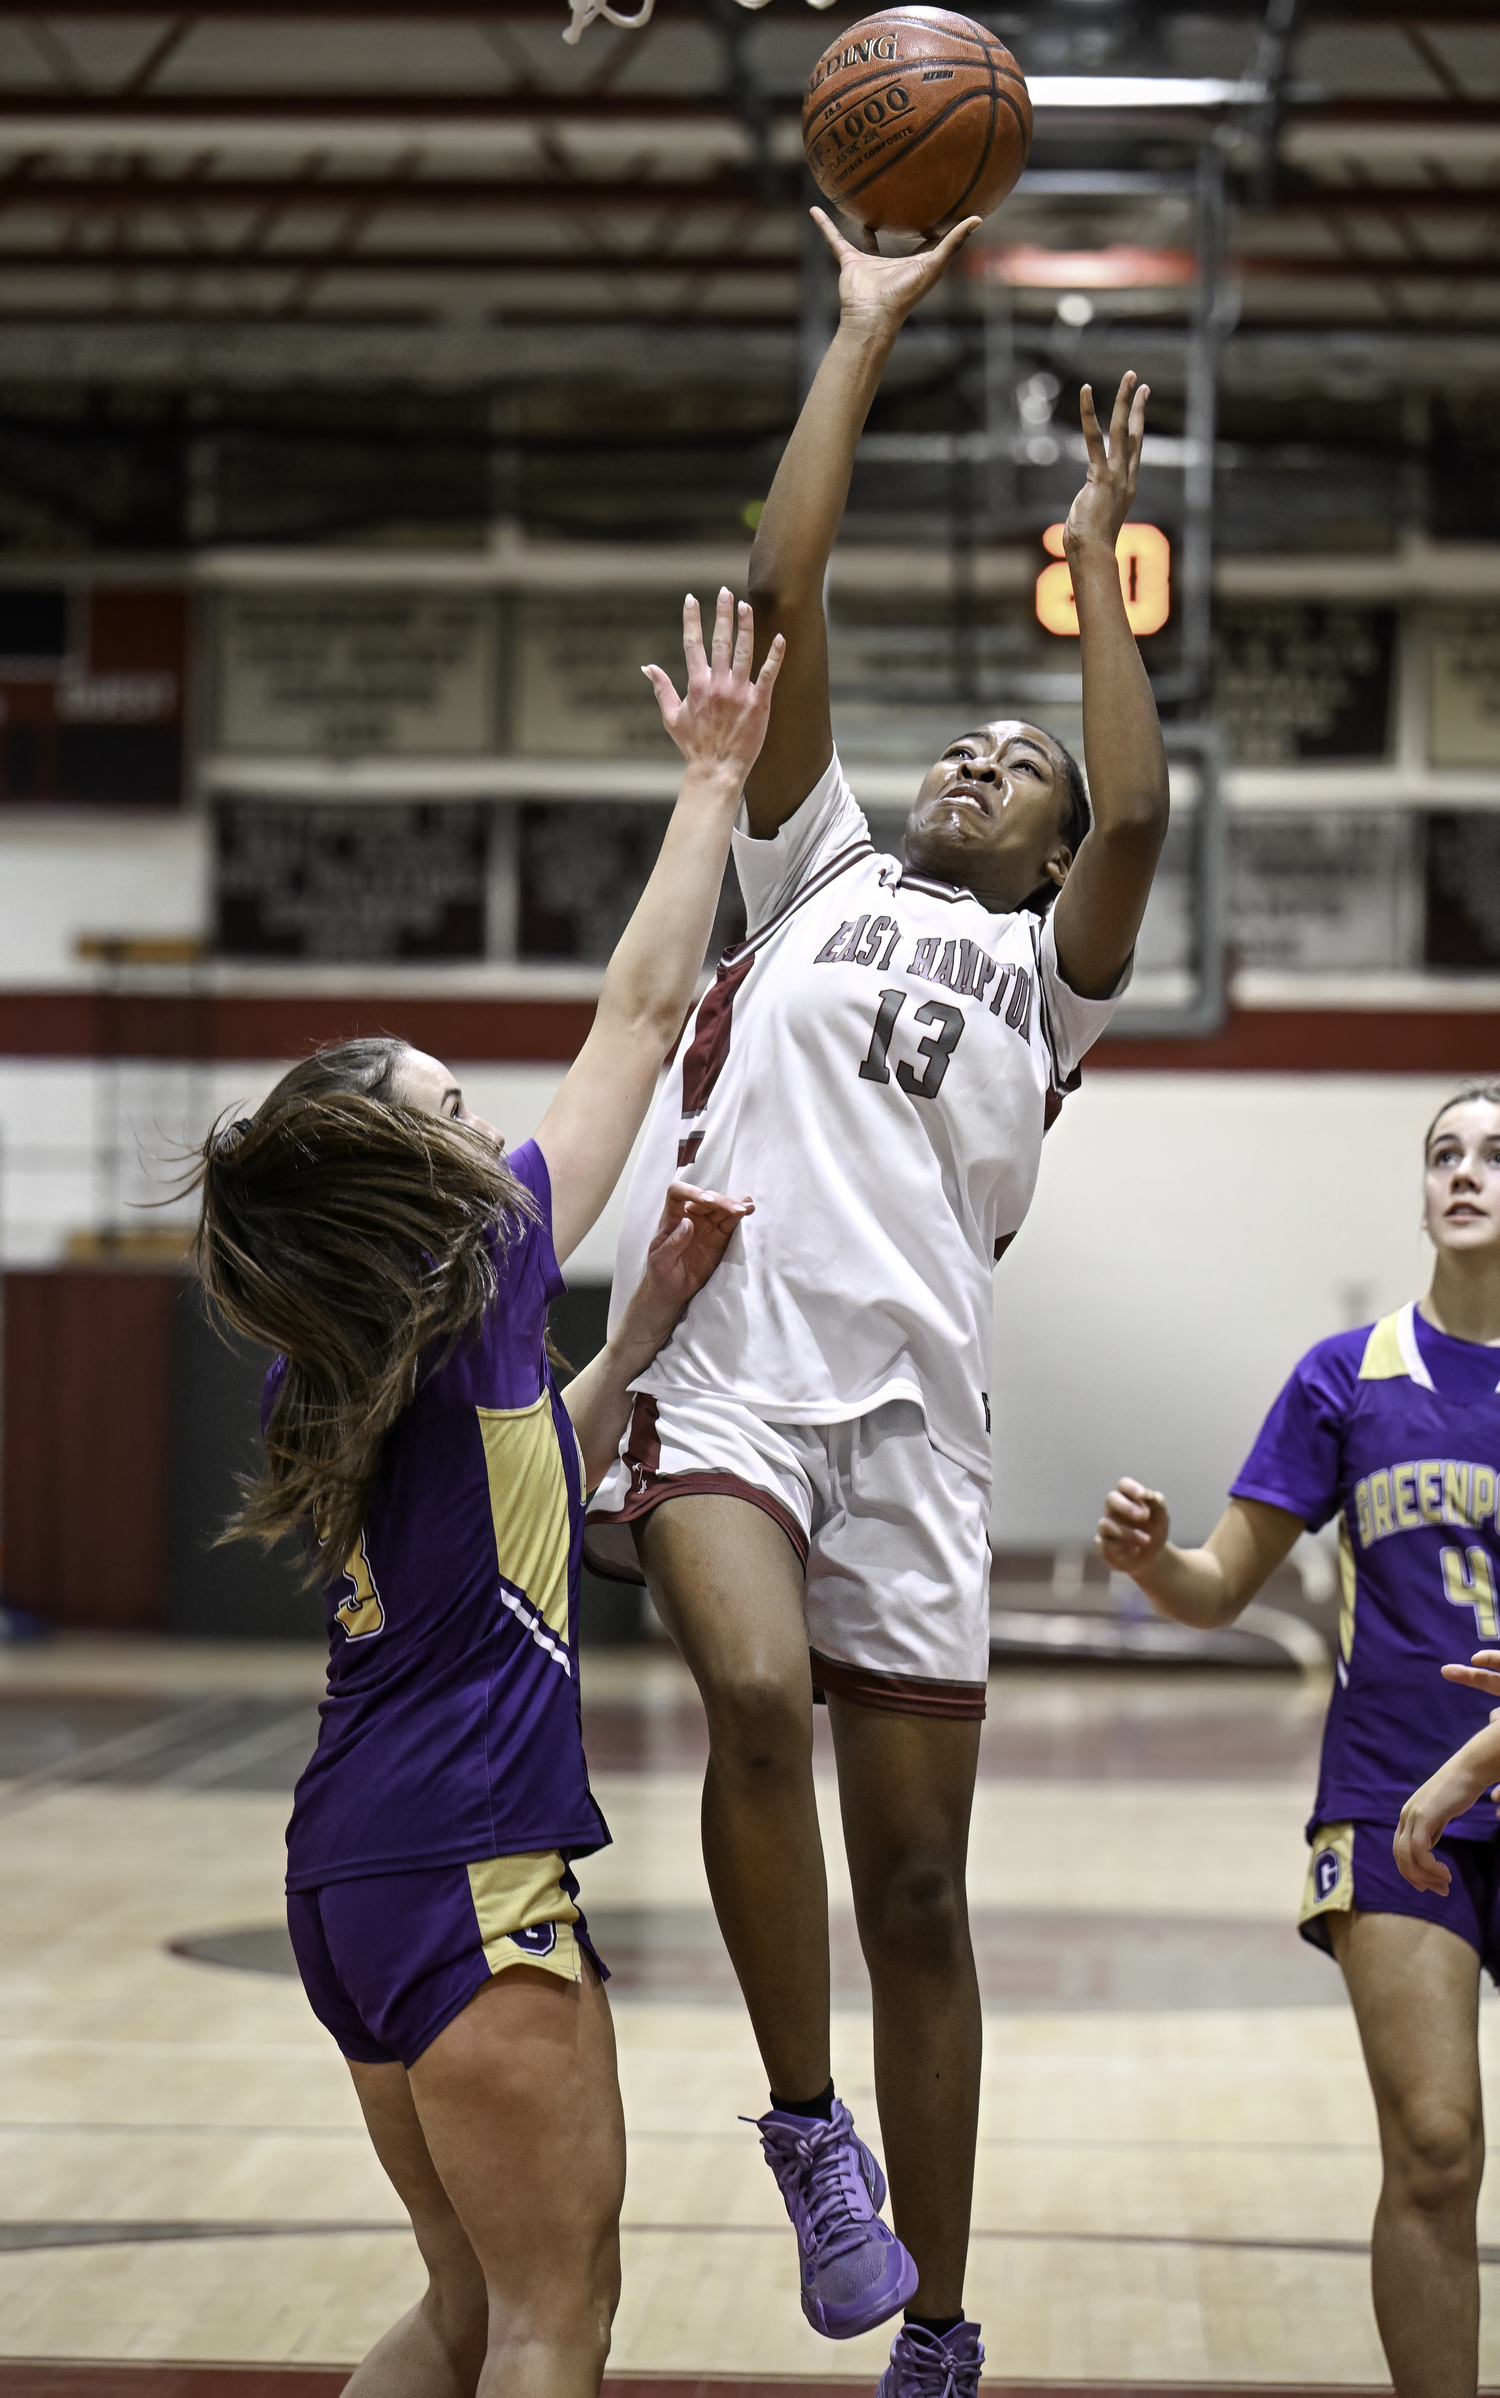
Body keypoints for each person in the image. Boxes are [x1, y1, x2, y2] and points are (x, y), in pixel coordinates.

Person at [586, 208, 1169, 2396]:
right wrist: (860, 327)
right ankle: (805, 2123)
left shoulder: (1055, 972)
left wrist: (1105, 559)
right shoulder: (810, 860)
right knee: (748, 1700)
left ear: (1039, 852)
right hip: (733, 1359)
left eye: (1014, 766)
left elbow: (1142, 798)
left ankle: (937, 2316)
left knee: (920, 1901)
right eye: (976, 744)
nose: (981, 757)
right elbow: (792, 585)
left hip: (916, 1431)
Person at [190, 590, 782, 2398]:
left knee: (465, 2309)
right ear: (402, 1167)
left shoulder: (357, 1356)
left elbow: (528, 1496)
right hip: (469, 1855)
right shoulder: (478, 1259)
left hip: (350, 1873)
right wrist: (710, 783)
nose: (486, 1129)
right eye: (451, 1110)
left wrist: (652, 1319)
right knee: (551, 2319)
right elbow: (644, 1006)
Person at [1098, 1080, 1500, 2398]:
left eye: (1494, 1153)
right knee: (1435, 2145)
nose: (1465, 1171)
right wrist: (1158, 1564)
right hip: (1393, 1803)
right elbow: (1222, 1583)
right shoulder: (1348, 1378)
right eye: (1444, 1151)